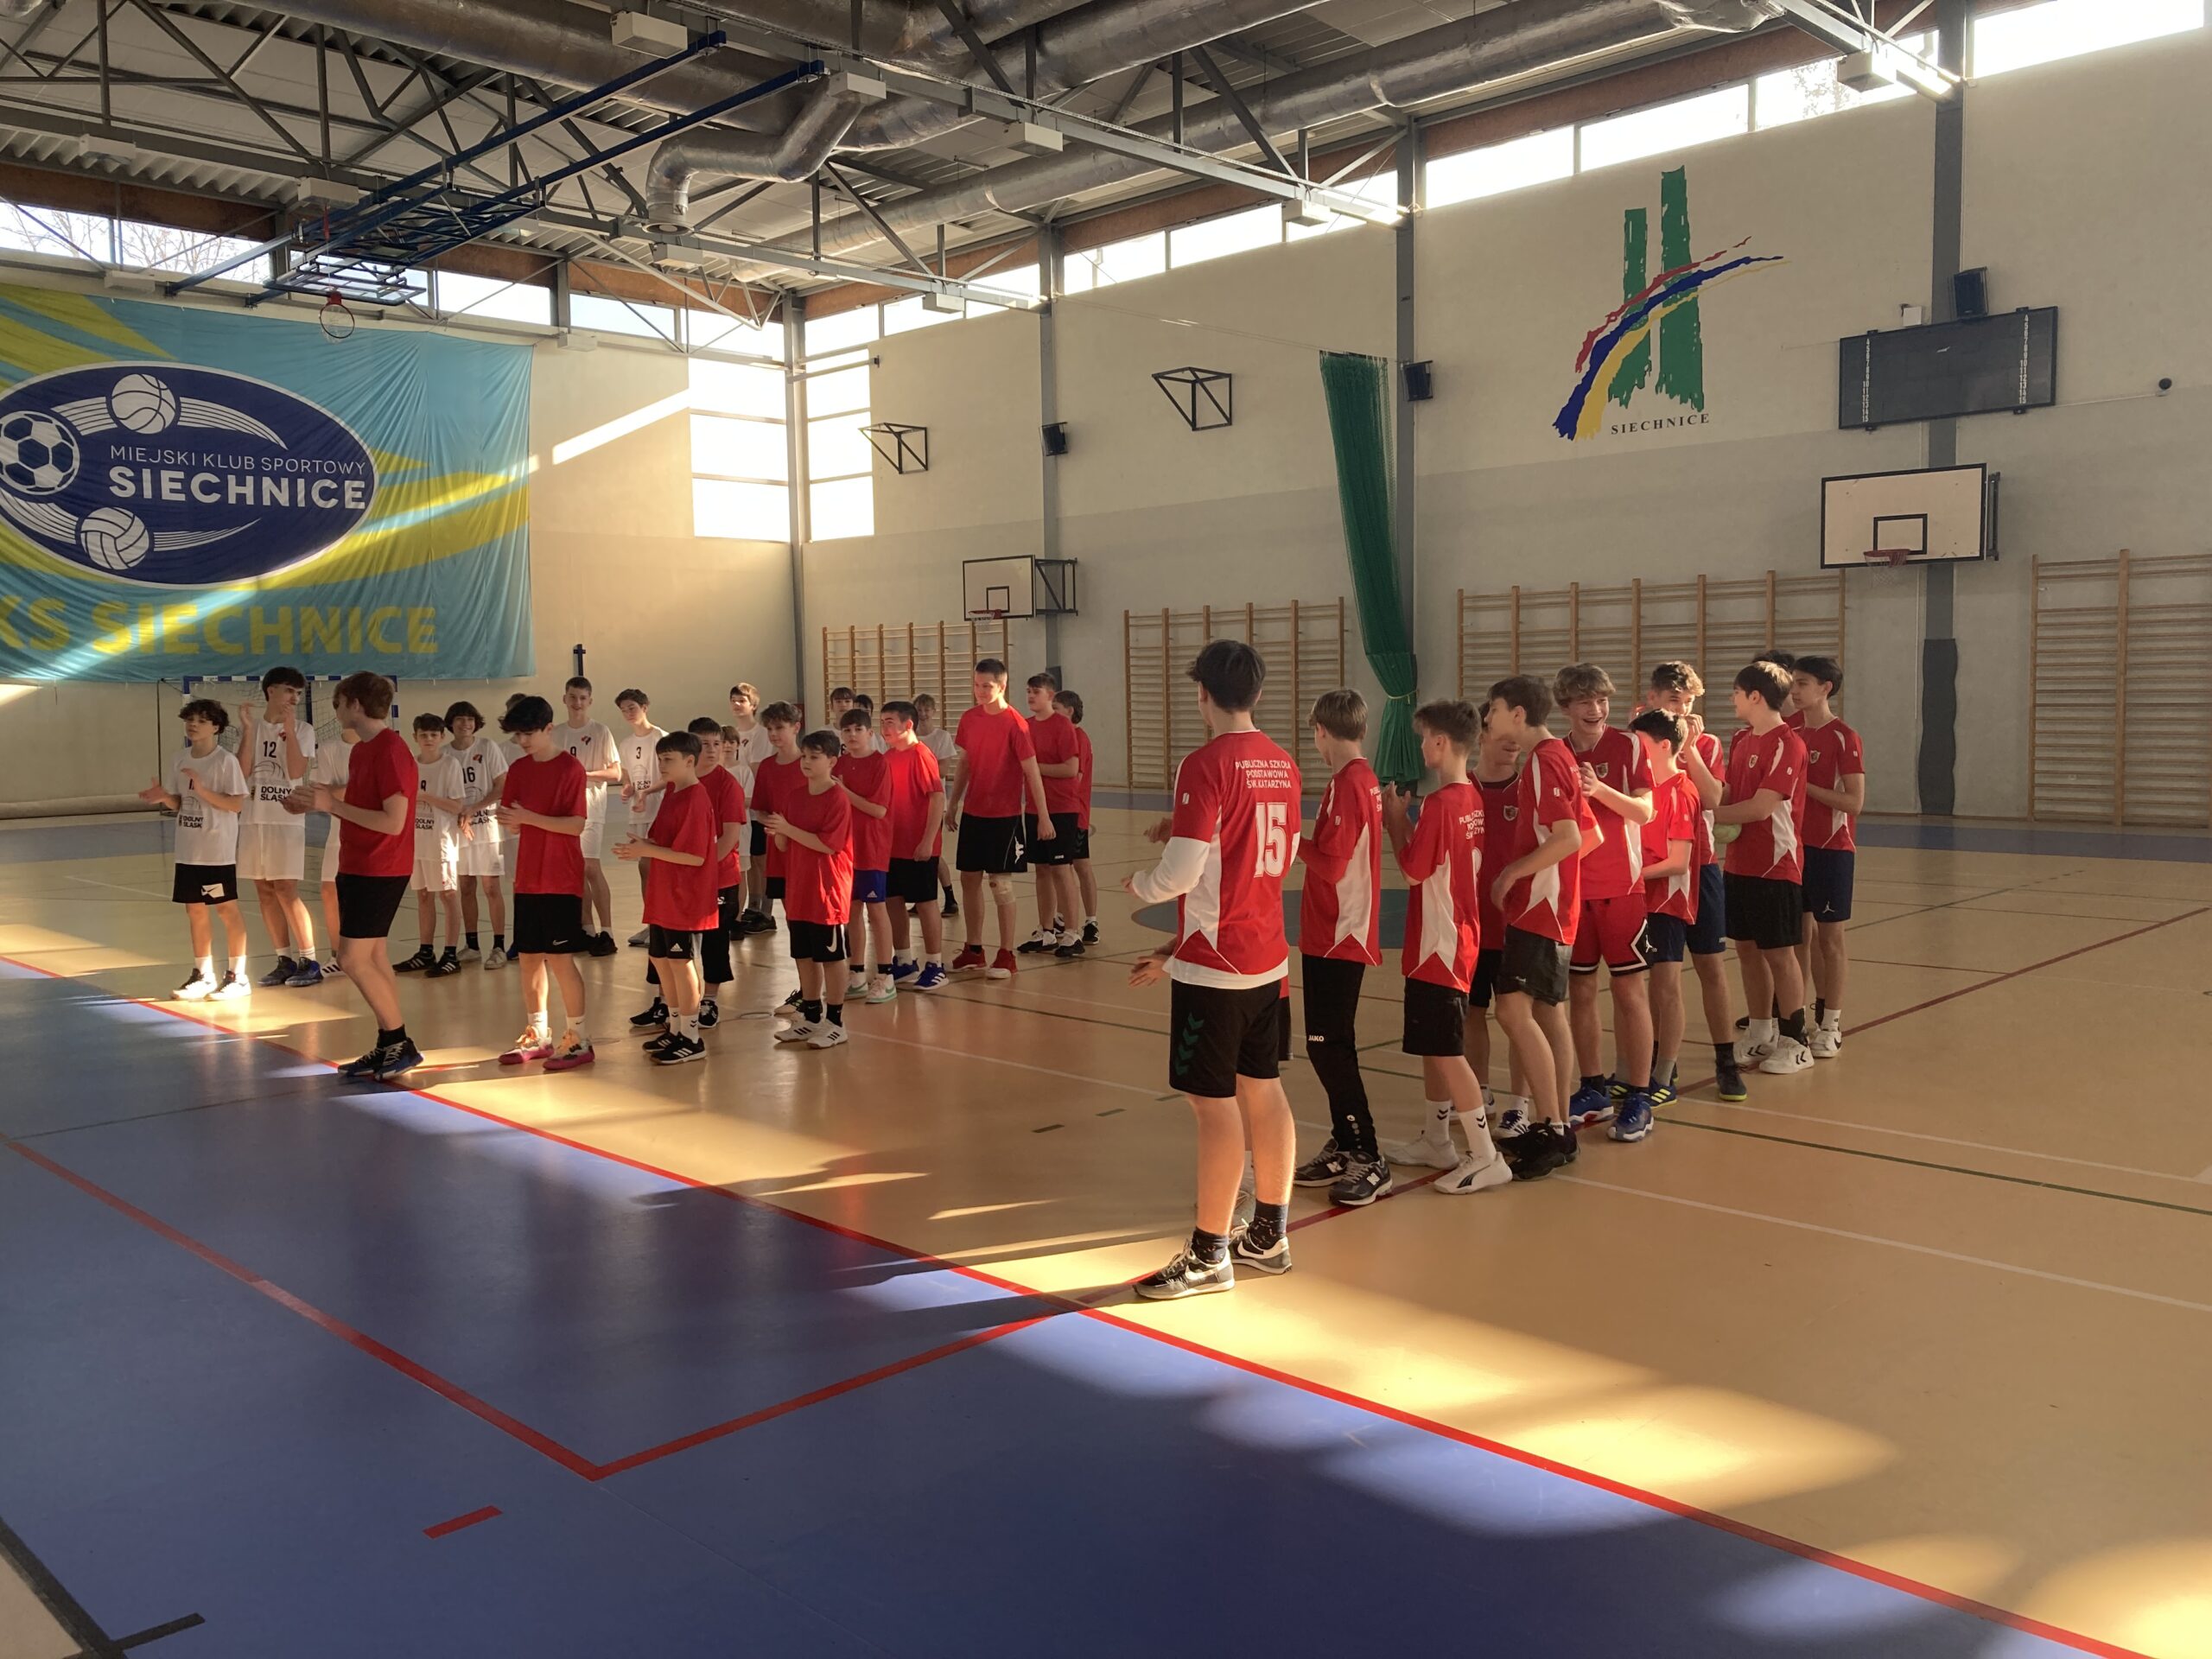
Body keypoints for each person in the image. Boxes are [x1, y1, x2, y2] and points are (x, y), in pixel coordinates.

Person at [1124, 639, 1302, 1300]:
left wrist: (1139, 884)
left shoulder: (1203, 764)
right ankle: (1270, 1234)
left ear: (1202, 694)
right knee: (1264, 1086)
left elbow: (1180, 873)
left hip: (1216, 962)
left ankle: (1208, 1255)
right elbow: (1271, 847)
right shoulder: (1283, 762)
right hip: (1267, 956)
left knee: (1212, 1103)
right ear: (1257, 693)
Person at [1384, 701, 1512, 1196]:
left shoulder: (1440, 805)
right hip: (1454, 936)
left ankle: (1485, 1155)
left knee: (1446, 1050)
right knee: (1433, 1047)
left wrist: (1395, 819)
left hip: (1440, 944)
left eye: (1424, 739)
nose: (1421, 747)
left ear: (1440, 742)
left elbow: (1412, 871)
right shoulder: (1469, 796)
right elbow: (1432, 862)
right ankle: (1437, 1140)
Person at [1474, 675, 1590, 1181]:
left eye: (1496, 710)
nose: (1491, 718)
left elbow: (1569, 838)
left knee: (1511, 1010)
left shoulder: (1544, 761)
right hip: (1555, 906)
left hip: (1540, 908)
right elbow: (1589, 833)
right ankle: (1556, 1124)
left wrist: (1513, 873)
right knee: (1547, 1012)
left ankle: (1553, 1125)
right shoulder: (1558, 757)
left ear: (1517, 714)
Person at [288, 671, 420, 1082]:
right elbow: (354, 804)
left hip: (381, 867)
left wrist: (332, 805)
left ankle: (400, 1041)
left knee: (350, 959)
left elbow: (394, 822)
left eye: (339, 702)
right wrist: (314, 802)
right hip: (357, 863)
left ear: (356, 705)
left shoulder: (391, 751)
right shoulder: (362, 751)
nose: (335, 710)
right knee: (374, 957)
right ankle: (388, 1041)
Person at [1287, 690, 1387, 1205]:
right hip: (1330, 929)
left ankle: (1368, 1153)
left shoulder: (1350, 783)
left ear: (1321, 731)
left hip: (1340, 931)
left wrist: (1287, 837)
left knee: (1329, 1044)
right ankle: (1345, 1142)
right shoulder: (1354, 780)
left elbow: (1331, 865)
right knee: (1327, 1042)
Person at [1555, 663, 1656, 1129]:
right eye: (1585, 701)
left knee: (1629, 990)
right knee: (1579, 990)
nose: (1596, 709)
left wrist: (1600, 790)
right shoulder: (1555, 752)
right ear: (1566, 707)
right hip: (1575, 891)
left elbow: (1645, 811)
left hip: (1622, 888)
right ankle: (1593, 1086)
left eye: (1602, 700)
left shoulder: (1628, 745)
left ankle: (1639, 1094)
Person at [1644, 661, 1740, 1100]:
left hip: (1701, 867)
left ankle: (1726, 1059)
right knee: (1661, 974)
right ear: (1652, 699)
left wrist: (1691, 750)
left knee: (1711, 967)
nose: (1681, 710)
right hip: (1659, 868)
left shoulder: (1706, 742)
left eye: (1687, 702)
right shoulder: (1640, 743)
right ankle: (1660, 1060)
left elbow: (1713, 798)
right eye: (1672, 701)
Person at [1716, 659, 1814, 1076]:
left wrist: (1702, 817)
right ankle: (1761, 1032)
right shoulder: (1741, 740)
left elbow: (1759, 808)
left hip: (1776, 864)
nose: (1733, 700)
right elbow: (1726, 793)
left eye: (1737, 693)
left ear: (1755, 696)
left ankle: (1796, 1041)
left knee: (1779, 953)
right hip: (1739, 863)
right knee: (1746, 949)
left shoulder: (1787, 744)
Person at [493, 696, 595, 1072]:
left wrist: (529, 818)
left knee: (561, 960)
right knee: (529, 958)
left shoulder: (570, 769)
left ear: (549, 729)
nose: (523, 742)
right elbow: (513, 821)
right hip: (528, 877)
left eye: (529, 734)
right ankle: (538, 1033)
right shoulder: (519, 769)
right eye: (518, 736)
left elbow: (575, 825)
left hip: (560, 877)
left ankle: (579, 1038)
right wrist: (513, 820)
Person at [946, 658, 1053, 980]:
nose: (980, 691)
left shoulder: (1015, 724)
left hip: (1004, 817)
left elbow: (1032, 772)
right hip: (974, 813)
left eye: (987, 686)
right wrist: (953, 804)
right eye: (976, 685)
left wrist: (1043, 817)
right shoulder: (969, 719)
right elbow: (965, 764)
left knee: (1000, 884)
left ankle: (1006, 955)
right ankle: (974, 949)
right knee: (969, 879)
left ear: (1002, 686)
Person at [616, 731, 717, 1065]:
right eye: (660, 759)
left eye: (668, 759)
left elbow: (695, 857)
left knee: (680, 962)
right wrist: (642, 844)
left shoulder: (696, 799)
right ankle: (675, 1028)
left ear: (689, 761)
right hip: (664, 894)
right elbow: (665, 842)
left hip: (685, 897)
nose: (661, 765)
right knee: (660, 959)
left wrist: (647, 850)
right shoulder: (673, 793)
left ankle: (691, 1036)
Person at [140, 698, 250, 1002]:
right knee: (195, 910)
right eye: (190, 719)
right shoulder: (179, 759)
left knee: (226, 909)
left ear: (216, 727)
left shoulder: (225, 761)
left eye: (201, 720)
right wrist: (165, 797)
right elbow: (180, 803)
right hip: (188, 849)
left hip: (216, 850)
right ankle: (203, 974)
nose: (193, 725)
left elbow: (236, 804)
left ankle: (238, 977)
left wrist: (203, 790)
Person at [761, 730, 855, 1050]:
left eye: (814, 757)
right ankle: (812, 1016)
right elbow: (784, 844)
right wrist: (778, 832)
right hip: (799, 888)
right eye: (804, 756)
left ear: (831, 761)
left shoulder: (837, 798)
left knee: (831, 956)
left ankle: (836, 1021)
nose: (806, 762)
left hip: (827, 890)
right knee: (803, 954)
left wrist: (788, 829)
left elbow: (829, 845)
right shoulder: (795, 796)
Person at [1629, 709, 1699, 1135]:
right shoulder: (1640, 790)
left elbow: (1678, 861)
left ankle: (1666, 1073)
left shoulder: (1681, 791)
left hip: (1667, 902)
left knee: (1667, 987)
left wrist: (1633, 874)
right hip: (1638, 900)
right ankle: (1638, 1068)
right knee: (1639, 987)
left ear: (1663, 746)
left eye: (1641, 744)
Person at [1791, 656, 1861, 1058]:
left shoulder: (1843, 737)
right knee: (1798, 937)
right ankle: (1794, 1018)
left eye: (1802, 683)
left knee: (1830, 938)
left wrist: (1806, 788)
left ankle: (1831, 1023)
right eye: (1793, 683)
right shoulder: (1790, 734)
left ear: (1825, 688)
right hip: (1792, 849)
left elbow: (1854, 802)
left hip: (1831, 849)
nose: (1794, 691)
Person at [235, 666, 320, 988]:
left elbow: (297, 771)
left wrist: (290, 731)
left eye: (298, 693)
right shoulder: (253, 727)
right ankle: (284, 958)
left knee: (286, 888)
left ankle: (309, 959)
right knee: (264, 890)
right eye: (289, 691)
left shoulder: (304, 729)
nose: (294, 698)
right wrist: (247, 731)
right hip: (253, 817)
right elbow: (241, 773)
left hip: (285, 819)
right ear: (271, 691)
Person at [879, 700, 949, 993]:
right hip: (892, 845)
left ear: (908, 724)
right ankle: (905, 960)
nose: (884, 728)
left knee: (925, 901)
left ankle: (935, 965)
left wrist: (928, 840)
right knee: (893, 900)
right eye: (882, 722)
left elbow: (937, 797)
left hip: (918, 846)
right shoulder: (887, 757)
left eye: (890, 722)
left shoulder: (921, 755)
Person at [395, 713, 467, 978]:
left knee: (448, 895)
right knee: (423, 895)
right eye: (423, 735)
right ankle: (426, 951)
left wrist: (425, 797)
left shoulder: (449, 765)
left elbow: (457, 805)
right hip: (416, 840)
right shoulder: (410, 765)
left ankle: (451, 954)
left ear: (442, 737)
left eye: (434, 735)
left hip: (440, 840)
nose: (428, 739)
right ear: (415, 737)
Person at [688, 717, 747, 1030]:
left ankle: (710, 999)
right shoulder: (681, 781)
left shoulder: (728, 785)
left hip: (718, 877)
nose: (711, 750)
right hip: (685, 876)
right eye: (704, 744)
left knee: (714, 940)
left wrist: (704, 870)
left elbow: (729, 838)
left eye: (716, 744)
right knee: (674, 938)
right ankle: (669, 1001)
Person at [834, 707, 896, 1004]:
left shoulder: (880, 763)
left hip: (872, 847)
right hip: (846, 850)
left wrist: (845, 793)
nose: (852, 735)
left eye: (858, 729)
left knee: (876, 909)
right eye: (847, 730)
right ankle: (856, 972)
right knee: (851, 911)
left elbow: (879, 810)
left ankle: (885, 974)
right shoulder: (839, 764)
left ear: (870, 733)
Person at [556, 677, 622, 955]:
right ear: (565, 699)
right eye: (573, 697)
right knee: (574, 869)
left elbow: (615, 773)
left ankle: (607, 931)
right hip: (563, 812)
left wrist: (582, 775)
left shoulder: (600, 731)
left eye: (583, 698)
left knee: (591, 867)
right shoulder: (556, 733)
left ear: (590, 701)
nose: (577, 703)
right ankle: (586, 929)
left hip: (590, 808)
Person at [751, 702, 807, 1019]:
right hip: (780, 855)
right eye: (770, 729)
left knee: (815, 922)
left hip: (809, 854)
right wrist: (773, 823)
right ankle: (805, 988)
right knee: (794, 921)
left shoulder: (810, 763)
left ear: (796, 727)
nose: (774, 734)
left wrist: (795, 828)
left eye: (780, 728)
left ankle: (823, 986)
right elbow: (760, 809)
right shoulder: (767, 768)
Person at [1020, 672, 1084, 956]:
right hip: (1034, 808)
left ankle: (1072, 932)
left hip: (1061, 808)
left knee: (1061, 869)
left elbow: (1071, 769)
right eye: (1028, 691)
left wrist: (1035, 768)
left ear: (1050, 695)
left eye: (1036, 692)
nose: (1030, 696)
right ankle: (1046, 931)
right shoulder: (1025, 726)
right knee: (1042, 870)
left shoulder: (1062, 726)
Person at [445, 702, 509, 970]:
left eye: (470, 719)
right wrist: (460, 813)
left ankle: (499, 946)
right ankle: (472, 945)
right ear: (451, 723)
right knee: (466, 887)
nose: (465, 724)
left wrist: (474, 808)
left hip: (486, 827)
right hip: (459, 830)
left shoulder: (488, 747)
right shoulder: (445, 754)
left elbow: (502, 786)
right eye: (460, 719)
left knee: (491, 887)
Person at [614, 689, 666, 947]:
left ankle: (666, 922)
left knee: (660, 867)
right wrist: (628, 789)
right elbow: (627, 777)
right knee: (644, 868)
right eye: (623, 709)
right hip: (639, 812)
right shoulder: (625, 744)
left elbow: (670, 775)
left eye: (632, 707)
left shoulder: (661, 738)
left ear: (645, 707)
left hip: (660, 809)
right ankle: (652, 923)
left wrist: (648, 792)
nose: (628, 713)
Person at [308, 721, 358, 980]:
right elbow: (319, 793)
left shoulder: (375, 747)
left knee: (362, 894)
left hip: (370, 830)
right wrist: (355, 789)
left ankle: (361, 955)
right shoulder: (329, 749)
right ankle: (337, 955)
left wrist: (337, 792)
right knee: (329, 890)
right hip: (338, 829)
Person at [1052, 689, 1098, 957]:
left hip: (1074, 813)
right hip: (1067, 811)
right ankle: (1062, 916)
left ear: (1069, 711)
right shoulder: (1065, 737)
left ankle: (1090, 921)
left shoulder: (1077, 737)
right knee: (1066, 867)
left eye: (1056, 709)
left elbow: (1075, 777)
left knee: (1077, 866)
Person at [728, 683, 777, 933]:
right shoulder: (734, 734)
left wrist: (749, 798)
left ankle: (766, 912)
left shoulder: (760, 733)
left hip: (756, 804)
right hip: (742, 809)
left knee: (761, 860)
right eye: (734, 700)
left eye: (742, 701)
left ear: (753, 705)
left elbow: (757, 771)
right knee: (749, 860)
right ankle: (753, 907)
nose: (737, 705)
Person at [912, 692, 961, 917]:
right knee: (914, 851)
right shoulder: (910, 737)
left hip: (933, 802)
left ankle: (949, 897)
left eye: (926, 710)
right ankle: (920, 897)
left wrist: (914, 770)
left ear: (933, 711)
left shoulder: (941, 737)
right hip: (911, 803)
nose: (923, 714)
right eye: (919, 710)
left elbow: (941, 771)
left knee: (933, 852)